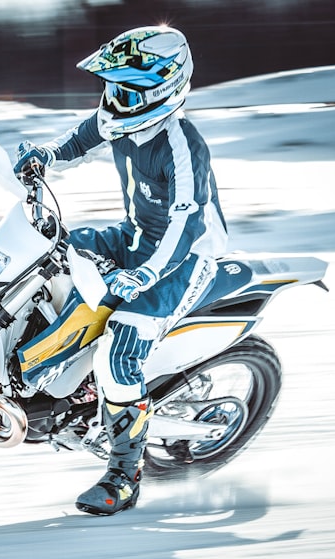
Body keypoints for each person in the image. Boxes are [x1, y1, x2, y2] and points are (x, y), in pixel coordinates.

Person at [13, 25, 228, 516]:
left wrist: (144, 276)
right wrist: (46, 155)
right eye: (111, 87)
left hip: (183, 258)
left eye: (126, 89)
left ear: (162, 89)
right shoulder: (123, 117)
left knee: (120, 347)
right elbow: (81, 137)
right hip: (136, 236)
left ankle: (124, 477)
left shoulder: (182, 144)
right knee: (51, 253)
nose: (114, 98)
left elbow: (184, 227)